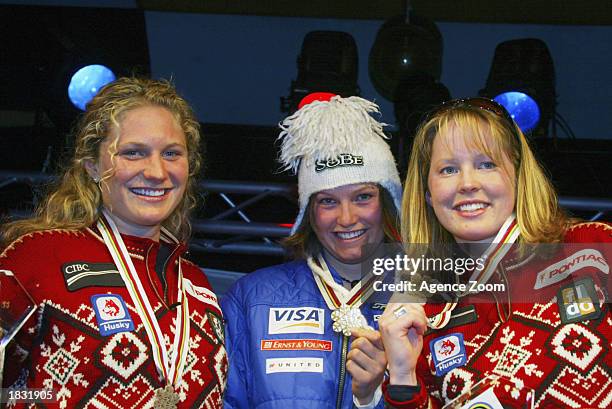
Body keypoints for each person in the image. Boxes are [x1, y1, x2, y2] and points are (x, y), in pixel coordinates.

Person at [0, 77, 227, 408]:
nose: (156, 171)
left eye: (172, 153)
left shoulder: (195, 283)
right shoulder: (37, 257)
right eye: (133, 153)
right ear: (92, 166)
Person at [378, 97, 611, 408]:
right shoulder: (425, 316)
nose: (468, 183)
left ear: (517, 173)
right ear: (428, 195)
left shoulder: (592, 247)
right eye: (448, 169)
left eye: (486, 164)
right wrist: (404, 376)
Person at [221, 93, 403, 409]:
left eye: (362, 197)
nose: (346, 219)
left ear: (387, 203)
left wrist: (374, 397)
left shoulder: (425, 297)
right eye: (328, 201)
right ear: (308, 213)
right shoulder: (252, 298)